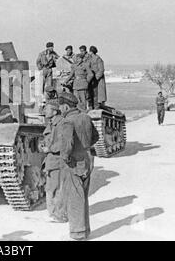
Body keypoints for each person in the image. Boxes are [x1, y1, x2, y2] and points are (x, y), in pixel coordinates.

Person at [57, 92, 99, 240]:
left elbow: (67, 145)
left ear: (66, 106)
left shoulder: (67, 121)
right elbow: (96, 137)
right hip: (87, 160)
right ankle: (85, 230)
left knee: (74, 197)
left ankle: (77, 233)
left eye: (61, 107)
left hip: (73, 162)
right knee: (83, 196)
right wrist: (85, 147)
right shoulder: (85, 117)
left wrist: (65, 157)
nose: (60, 110)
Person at [42, 99, 68, 223]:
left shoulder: (61, 123)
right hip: (51, 160)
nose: (44, 111)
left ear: (54, 110)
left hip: (57, 161)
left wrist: (49, 148)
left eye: (46, 109)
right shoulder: (51, 123)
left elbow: (63, 143)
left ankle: (60, 214)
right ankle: (53, 213)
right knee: (50, 188)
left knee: (58, 188)